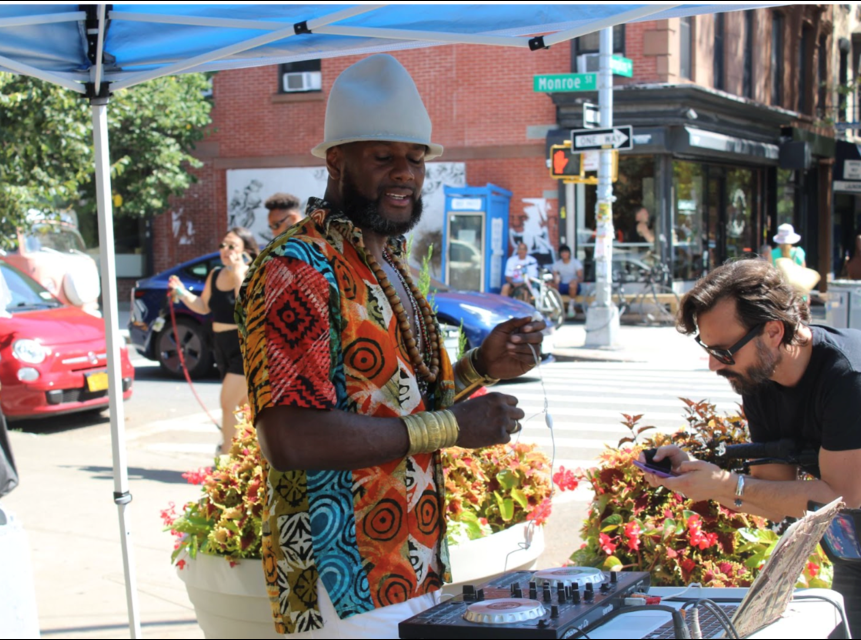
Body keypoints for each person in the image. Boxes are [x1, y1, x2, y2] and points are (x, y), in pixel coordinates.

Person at [235, 54, 545, 638]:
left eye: (416, 159)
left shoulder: (390, 263)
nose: (404, 173)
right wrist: (454, 427)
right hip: (338, 572)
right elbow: (290, 437)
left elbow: (400, 404)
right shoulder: (296, 267)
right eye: (383, 158)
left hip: (413, 562)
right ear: (336, 161)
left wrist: (483, 365)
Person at [639, 258, 861, 632]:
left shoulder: (847, 379)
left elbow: (843, 497)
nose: (713, 364)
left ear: (774, 332)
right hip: (853, 546)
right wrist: (697, 480)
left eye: (724, 351)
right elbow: (774, 499)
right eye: (708, 349)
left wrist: (727, 485)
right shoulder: (759, 376)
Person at [168, 227, 259, 457]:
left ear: (245, 252)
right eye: (223, 245)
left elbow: (245, 307)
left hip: (242, 347)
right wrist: (181, 292)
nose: (225, 250)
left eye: (232, 246)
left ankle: (226, 455)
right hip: (221, 345)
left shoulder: (248, 273)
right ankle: (246, 456)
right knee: (241, 407)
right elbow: (203, 306)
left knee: (227, 402)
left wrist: (239, 273)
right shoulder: (215, 274)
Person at [551, 245, 584, 319]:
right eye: (562, 252)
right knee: (552, 286)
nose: (564, 254)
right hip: (562, 285)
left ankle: (571, 307)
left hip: (574, 286)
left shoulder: (575, 262)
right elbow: (555, 276)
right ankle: (555, 309)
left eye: (566, 252)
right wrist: (556, 279)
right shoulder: (557, 264)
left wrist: (575, 280)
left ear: (569, 253)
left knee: (572, 285)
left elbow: (581, 278)